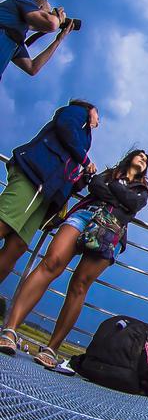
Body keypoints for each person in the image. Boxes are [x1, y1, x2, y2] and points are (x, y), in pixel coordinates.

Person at [0, 150, 148, 367]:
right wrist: (117, 196)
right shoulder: (110, 173)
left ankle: (52, 349)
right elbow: (95, 186)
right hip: (84, 215)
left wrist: (111, 189)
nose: (143, 158)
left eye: (147, 159)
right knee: (51, 263)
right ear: (129, 158)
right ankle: (10, 330)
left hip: (112, 230)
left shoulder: (142, 190)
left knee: (79, 285)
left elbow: (132, 205)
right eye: (140, 155)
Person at [0, 99, 98, 290]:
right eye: (97, 115)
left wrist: (83, 178)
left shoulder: (82, 140)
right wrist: (86, 161)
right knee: (4, 222)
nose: (98, 121)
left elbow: (68, 175)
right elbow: (66, 127)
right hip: (35, 175)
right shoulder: (77, 112)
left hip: (46, 193)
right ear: (90, 110)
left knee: (18, 246)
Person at [0, 0, 76, 81]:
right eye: (48, 13)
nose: (48, 17)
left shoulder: (16, 41)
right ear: (40, 7)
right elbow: (51, 24)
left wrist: (58, 40)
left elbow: (32, 68)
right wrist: (57, 17)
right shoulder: (25, 1)